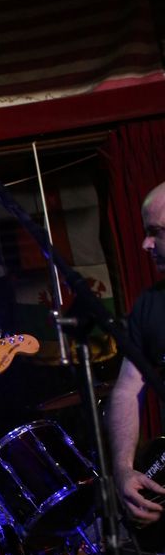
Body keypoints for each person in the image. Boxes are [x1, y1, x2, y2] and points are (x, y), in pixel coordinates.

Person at [108, 181, 165, 525]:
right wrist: (123, 469)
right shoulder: (148, 306)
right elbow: (128, 388)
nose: (145, 243)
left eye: (155, 232)